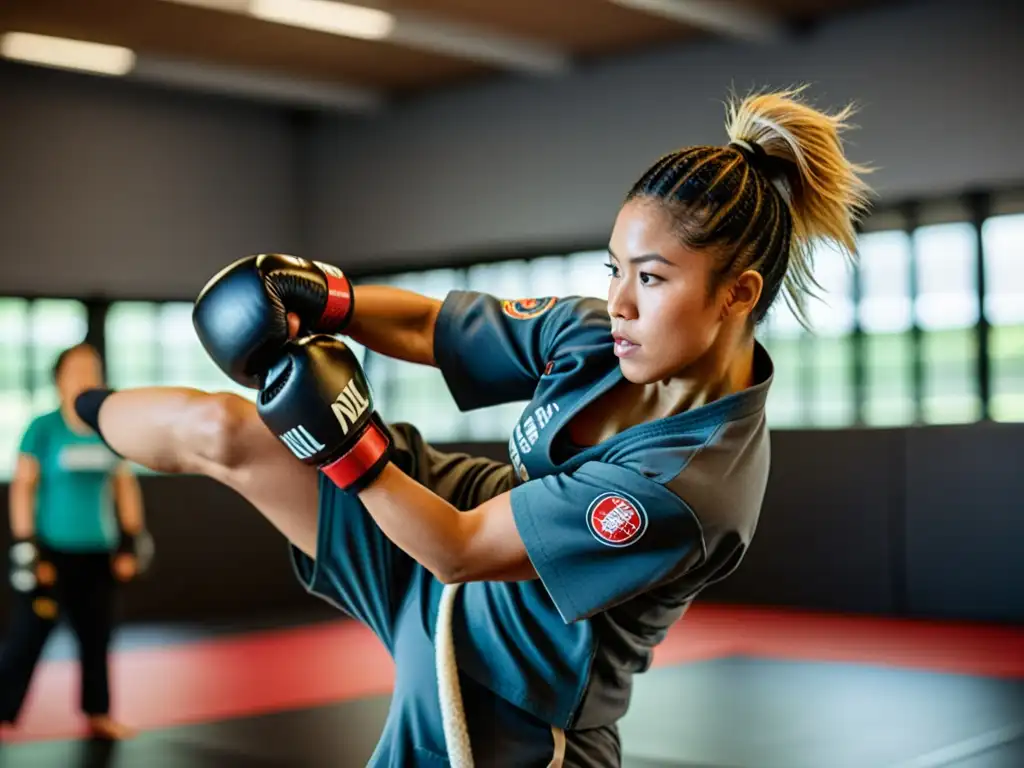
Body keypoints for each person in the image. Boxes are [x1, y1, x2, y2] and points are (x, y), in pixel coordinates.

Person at [71, 87, 871, 766]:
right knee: (221, 430)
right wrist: (323, 295)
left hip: (511, 693)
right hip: (440, 522)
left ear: (738, 294)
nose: (621, 302)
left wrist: (348, 447)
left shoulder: (692, 486)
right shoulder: (597, 333)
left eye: (652, 279)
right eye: (615, 269)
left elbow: (460, 552)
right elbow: (429, 328)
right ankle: (73, 409)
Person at [1, 342, 149, 741]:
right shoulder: (43, 428)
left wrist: (130, 541)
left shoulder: (109, 429)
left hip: (97, 553)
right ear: (59, 380)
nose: (86, 377)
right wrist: (29, 547)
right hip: (52, 552)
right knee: (27, 637)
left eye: (93, 369)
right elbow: (23, 488)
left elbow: (124, 486)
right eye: (76, 370)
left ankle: (98, 714)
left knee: (97, 636)